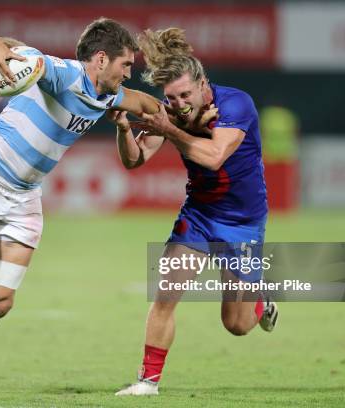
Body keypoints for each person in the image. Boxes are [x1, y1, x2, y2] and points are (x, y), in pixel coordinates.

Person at [0, 18, 198, 397]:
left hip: (24, 199)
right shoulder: (59, 73)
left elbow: (145, 102)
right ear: (101, 59)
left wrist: (170, 113)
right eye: (126, 65)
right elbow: (6, 46)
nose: (128, 73)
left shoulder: (108, 94)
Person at [111, 28, 278, 396]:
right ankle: (147, 382)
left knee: (235, 325)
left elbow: (215, 157)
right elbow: (135, 161)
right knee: (166, 293)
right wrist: (124, 131)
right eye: (172, 97)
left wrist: (170, 129)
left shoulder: (236, 105)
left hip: (243, 222)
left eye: (186, 94)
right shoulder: (168, 111)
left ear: (204, 84)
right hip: (199, 216)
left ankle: (260, 301)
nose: (180, 103)